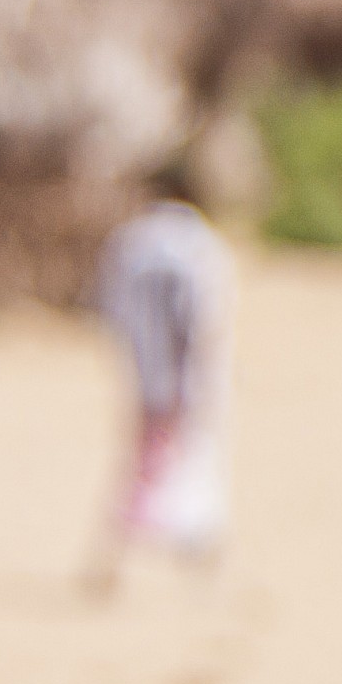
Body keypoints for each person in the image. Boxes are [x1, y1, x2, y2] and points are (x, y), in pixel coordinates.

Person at [86, 169, 233, 593]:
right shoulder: (202, 246)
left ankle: (128, 557)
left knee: (142, 463)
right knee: (193, 460)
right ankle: (176, 555)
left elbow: (110, 309)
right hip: (190, 376)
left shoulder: (131, 243)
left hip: (144, 372)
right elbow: (206, 319)